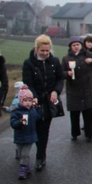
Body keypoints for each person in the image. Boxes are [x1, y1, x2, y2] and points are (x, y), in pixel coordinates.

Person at [22, 34, 64, 172]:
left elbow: (59, 79)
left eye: (47, 50)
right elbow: (28, 82)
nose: (45, 53)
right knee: (28, 128)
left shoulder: (55, 62)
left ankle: (40, 156)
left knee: (43, 130)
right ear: (36, 49)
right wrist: (33, 96)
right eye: (42, 51)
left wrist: (55, 91)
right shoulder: (29, 63)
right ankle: (22, 153)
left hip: (49, 102)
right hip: (34, 101)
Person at [62, 36, 92, 142]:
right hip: (74, 88)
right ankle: (75, 133)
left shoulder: (87, 54)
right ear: (70, 47)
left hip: (88, 87)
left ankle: (89, 133)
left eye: (78, 45)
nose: (76, 47)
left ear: (81, 45)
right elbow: (61, 72)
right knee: (74, 113)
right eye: (74, 45)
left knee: (88, 112)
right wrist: (67, 73)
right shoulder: (66, 58)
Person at [10, 85, 39, 180]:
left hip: (30, 136)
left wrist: (37, 109)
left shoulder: (32, 110)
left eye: (30, 101)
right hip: (19, 136)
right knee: (20, 153)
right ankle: (26, 167)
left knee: (25, 154)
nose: (28, 103)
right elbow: (13, 123)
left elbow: (37, 117)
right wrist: (20, 122)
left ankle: (22, 170)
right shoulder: (17, 111)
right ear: (21, 101)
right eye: (26, 101)